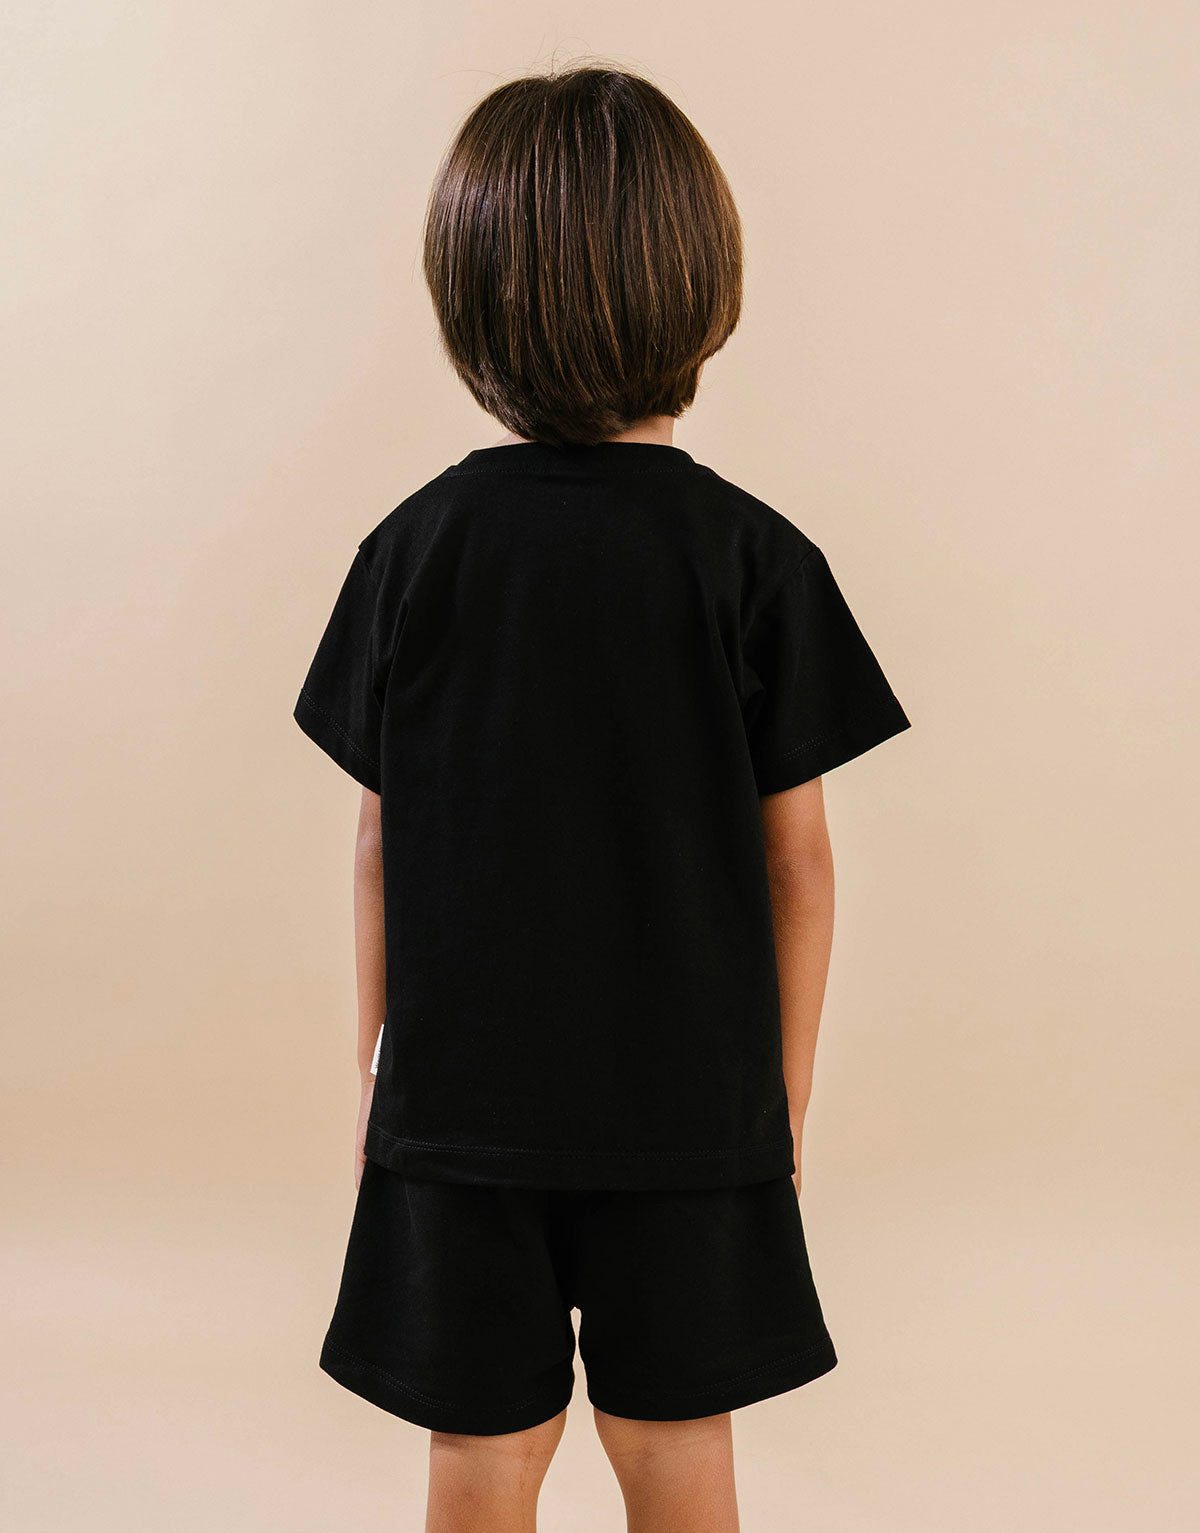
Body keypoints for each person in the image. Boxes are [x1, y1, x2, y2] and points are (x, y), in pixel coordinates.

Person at [293, 62, 911, 1533]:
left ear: (471, 299)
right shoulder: (755, 560)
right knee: (678, 1442)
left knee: (482, 1452)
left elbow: (381, 841)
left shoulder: (413, 550)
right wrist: (780, 1098)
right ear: (701, 286)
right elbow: (799, 865)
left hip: (461, 1109)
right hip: (693, 1108)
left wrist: (380, 1072)